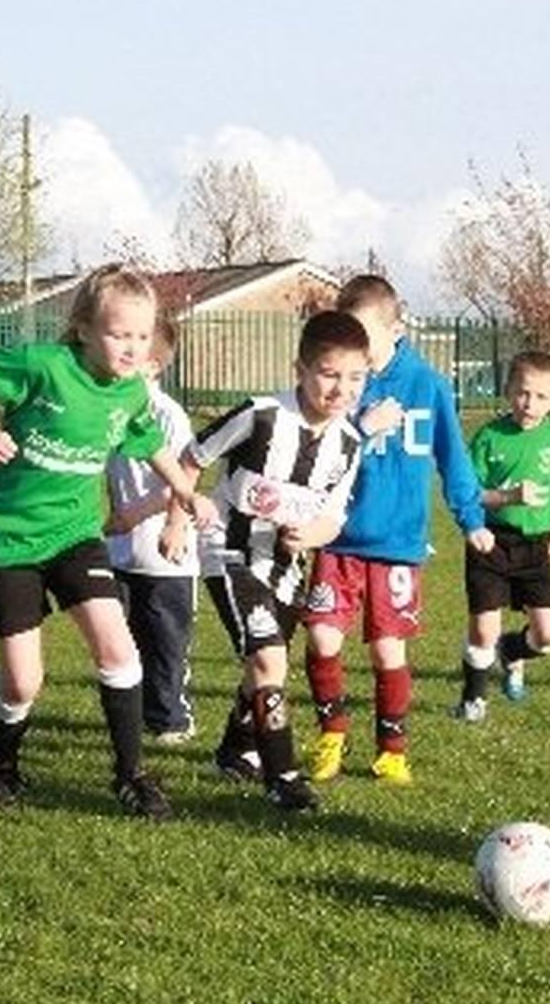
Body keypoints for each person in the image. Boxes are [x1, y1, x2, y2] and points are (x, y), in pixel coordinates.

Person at [0, 263, 203, 820]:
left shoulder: (132, 391)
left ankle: (130, 775)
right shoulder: (47, 366)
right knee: (23, 681)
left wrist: (185, 493)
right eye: (119, 334)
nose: (132, 348)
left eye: (141, 336)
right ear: (85, 328)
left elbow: (150, 439)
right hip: (8, 537)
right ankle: (1, 761)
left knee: (118, 648)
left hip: (75, 534)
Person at [167, 310, 369, 811]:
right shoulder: (260, 415)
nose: (341, 388)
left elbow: (335, 517)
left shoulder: (349, 443)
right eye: (328, 373)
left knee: (261, 664)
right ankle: (283, 775)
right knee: (268, 658)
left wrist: (311, 534)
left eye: (355, 378)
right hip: (228, 551)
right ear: (299, 369)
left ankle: (234, 751)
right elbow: (192, 459)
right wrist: (177, 518)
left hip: (284, 568)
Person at [303, 274, 493, 786]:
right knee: (322, 637)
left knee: (389, 649)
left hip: (396, 545)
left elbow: (453, 459)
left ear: (397, 327)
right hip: (336, 538)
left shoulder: (427, 386)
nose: (356, 348)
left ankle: (391, 748)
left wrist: (471, 518)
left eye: (365, 333)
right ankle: (332, 734)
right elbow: (315, 448)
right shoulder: (344, 384)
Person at [452, 350, 550, 721]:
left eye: (541, 396)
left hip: (536, 548)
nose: (529, 403)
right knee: (483, 630)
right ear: (508, 391)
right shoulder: (489, 437)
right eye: (523, 393)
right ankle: (473, 700)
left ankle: (512, 652)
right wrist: (508, 496)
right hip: (491, 542)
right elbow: (468, 494)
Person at [102, 318, 198, 744]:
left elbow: (184, 479)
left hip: (166, 555)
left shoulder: (168, 414)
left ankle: (173, 719)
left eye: (133, 355)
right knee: (125, 638)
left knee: (166, 644)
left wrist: (170, 525)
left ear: (154, 366)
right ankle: (136, 714)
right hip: (122, 551)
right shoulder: (114, 411)